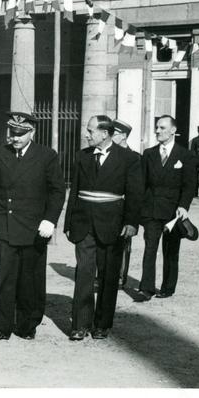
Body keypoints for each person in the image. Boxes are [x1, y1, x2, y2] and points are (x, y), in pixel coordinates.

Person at [0, 112, 65, 341]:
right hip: (6, 226)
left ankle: (28, 324)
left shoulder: (46, 156)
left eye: (21, 133)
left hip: (35, 227)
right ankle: (1, 326)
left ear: (32, 133)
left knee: (31, 278)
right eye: (13, 133)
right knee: (5, 277)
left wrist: (50, 219)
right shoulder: (0, 154)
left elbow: (57, 191)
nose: (16, 138)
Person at [64, 115, 143, 340]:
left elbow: (135, 195)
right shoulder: (82, 156)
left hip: (113, 225)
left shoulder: (129, 159)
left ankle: (102, 324)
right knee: (84, 274)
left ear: (105, 134)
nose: (86, 135)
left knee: (108, 276)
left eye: (90, 131)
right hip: (83, 223)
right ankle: (80, 324)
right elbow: (74, 192)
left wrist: (131, 223)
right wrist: (69, 222)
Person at [138, 115, 197, 301]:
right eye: (157, 127)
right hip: (152, 210)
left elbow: (189, 185)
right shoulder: (148, 154)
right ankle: (146, 289)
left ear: (173, 130)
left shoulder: (185, 155)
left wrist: (183, 206)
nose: (158, 131)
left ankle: (167, 288)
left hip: (173, 212)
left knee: (171, 251)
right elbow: (142, 183)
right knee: (150, 248)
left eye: (162, 128)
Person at [111, 119, 141, 289]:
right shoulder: (106, 154)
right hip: (108, 207)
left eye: (113, 133)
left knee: (123, 243)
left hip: (124, 207)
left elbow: (137, 191)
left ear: (123, 136)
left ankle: (120, 276)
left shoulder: (135, 158)